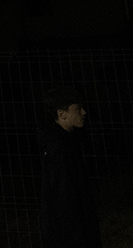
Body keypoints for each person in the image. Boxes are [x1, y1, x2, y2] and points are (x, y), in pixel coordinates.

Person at [37, 86, 101, 248]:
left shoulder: (64, 142)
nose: (84, 112)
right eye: (78, 109)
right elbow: (63, 192)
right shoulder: (60, 147)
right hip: (71, 229)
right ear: (61, 114)